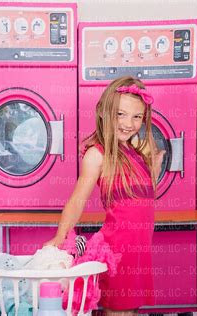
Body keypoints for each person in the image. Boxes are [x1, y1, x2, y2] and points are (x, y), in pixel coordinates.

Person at [44, 76, 165, 315]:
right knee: (117, 310)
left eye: (137, 116)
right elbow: (77, 200)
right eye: (120, 114)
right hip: (117, 250)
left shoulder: (135, 152)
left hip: (139, 250)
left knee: (130, 310)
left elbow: (142, 200)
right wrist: (59, 237)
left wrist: (155, 167)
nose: (128, 123)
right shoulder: (98, 155)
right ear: (104, 112)